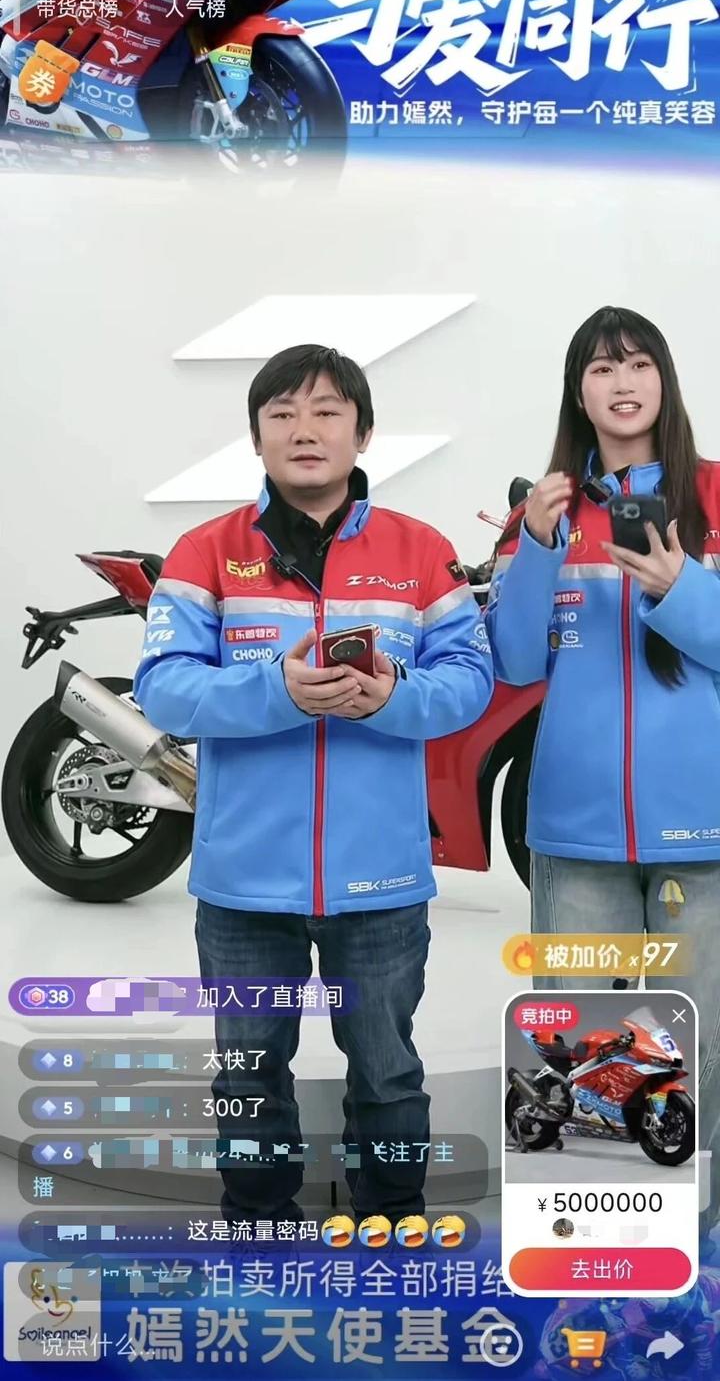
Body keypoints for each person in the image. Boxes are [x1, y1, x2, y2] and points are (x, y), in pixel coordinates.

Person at [134, 343, 493, 1226]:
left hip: (381, 881)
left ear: (362, 433)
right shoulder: (205, 552)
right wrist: (278, 692)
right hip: (243, 884)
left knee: (389, 1074)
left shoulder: (421, 552)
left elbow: (469, 682)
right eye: (282, 413)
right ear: (256, 436)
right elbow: (163, 688)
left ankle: (393, 1223)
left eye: (328, 411)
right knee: (248, 1077)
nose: (305, 429)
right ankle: (260, 1232)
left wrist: (390, 698)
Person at [485, 305, 720, 1248]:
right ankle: (599, 1249)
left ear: (665, 379)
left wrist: (680, 589)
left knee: (697, 1049)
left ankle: (695, 1247)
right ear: (577, 393)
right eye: (600, 367)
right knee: (584, 1047)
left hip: (703, 832)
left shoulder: (713, 495)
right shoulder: (544, 512)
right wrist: (536, 551)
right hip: (577, 836)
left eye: (638, 363)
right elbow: (513, 662)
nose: (622, 382)